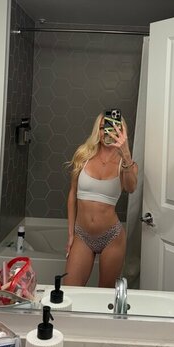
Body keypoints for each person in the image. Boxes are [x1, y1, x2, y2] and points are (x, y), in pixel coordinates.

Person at [63, 112, 138, 287]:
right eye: (104, 127)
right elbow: (72, 194)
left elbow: (131, 188)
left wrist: (126, 154)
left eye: (113, 128)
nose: (107, 132)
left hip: (112, 237)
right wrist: (71, 234)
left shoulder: (126, 164)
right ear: (98, 130)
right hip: (82, 235)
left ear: (121, 132)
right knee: (70, 290)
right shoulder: (84, 155)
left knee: (105, 294)